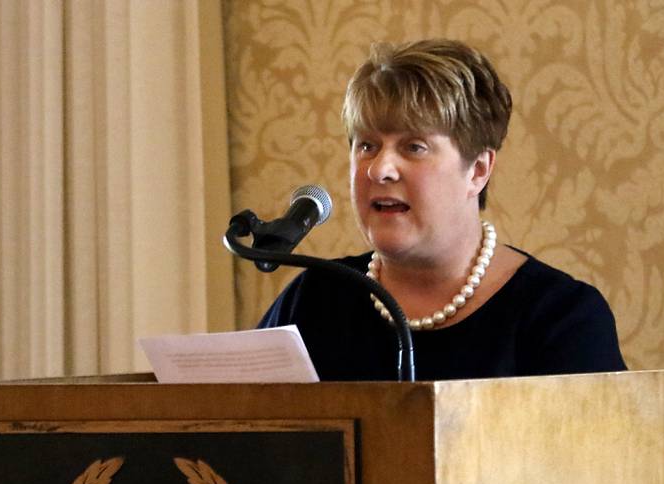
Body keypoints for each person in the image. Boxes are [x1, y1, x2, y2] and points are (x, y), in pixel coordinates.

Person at [258, 39, 627, 381]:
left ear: (478, 170)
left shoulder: (561, 317)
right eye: (367, 145)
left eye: (414, 147)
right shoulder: (315, 299)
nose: (379, 169)